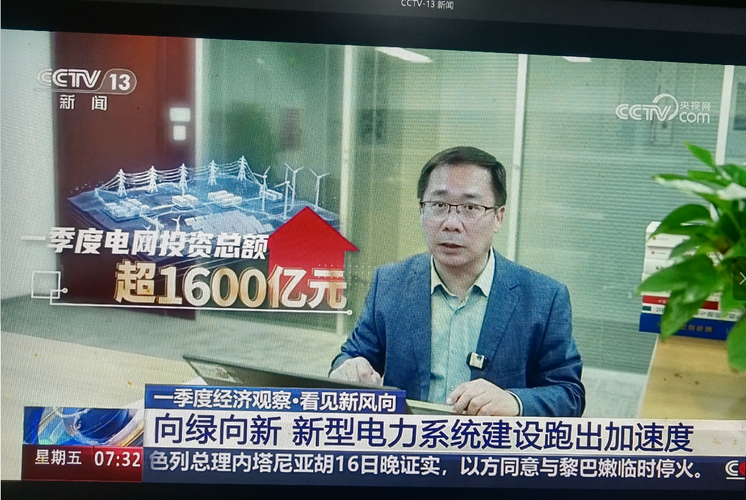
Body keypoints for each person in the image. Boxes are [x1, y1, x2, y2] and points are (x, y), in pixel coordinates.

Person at [330, 146, 585, 417]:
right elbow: (351, 357)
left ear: (498, 217)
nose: (451, 223)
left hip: (491, 443)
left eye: (470, 207)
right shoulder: (390, 283)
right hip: (407, 440)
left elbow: (569, 394)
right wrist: (347, 369)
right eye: (439, 206)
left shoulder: (544, 298)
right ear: (421, 210)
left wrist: (514, 402)